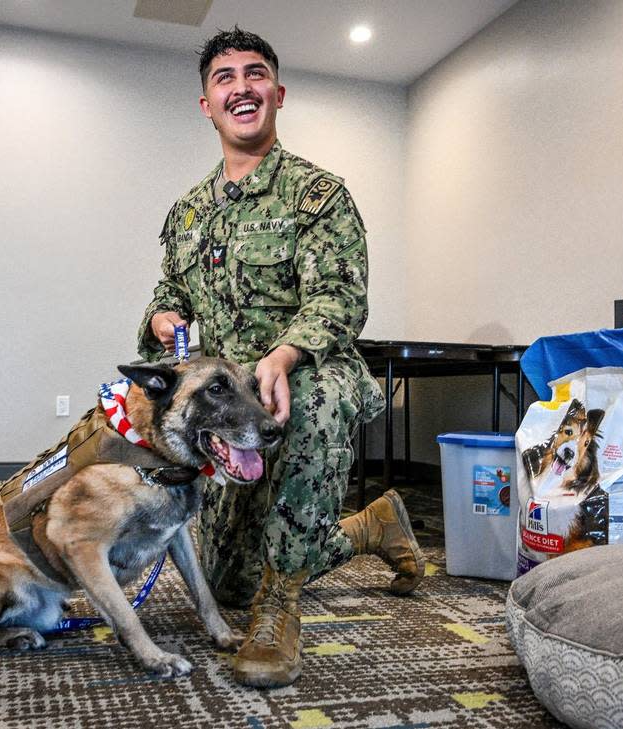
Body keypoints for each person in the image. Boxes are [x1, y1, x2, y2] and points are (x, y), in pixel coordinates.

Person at [137, 27, 424, 688]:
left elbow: (341, 296)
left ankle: (280, 608)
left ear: (278, 93)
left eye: (255, 73)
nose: (242, 87)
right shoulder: (189, 213)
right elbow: (170, 289)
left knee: (316, 395)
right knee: (224, 581)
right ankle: (373, 525)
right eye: (225, 77)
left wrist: (286, 353)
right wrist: (162, 314)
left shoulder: (316, 195)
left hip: (311, 372)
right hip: (233, 397)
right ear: (206, 104)